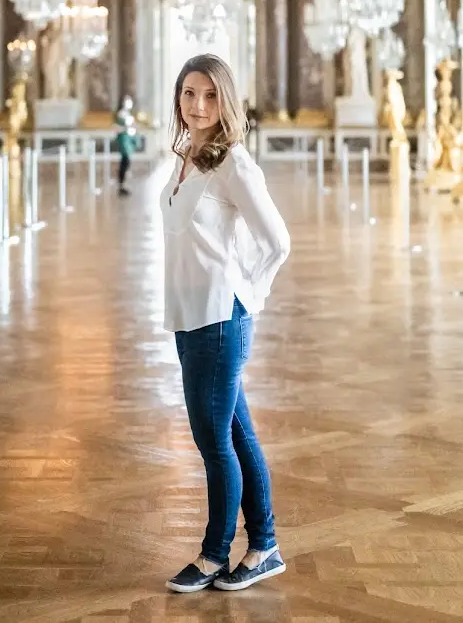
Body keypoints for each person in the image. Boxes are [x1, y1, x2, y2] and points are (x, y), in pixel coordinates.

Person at [161, 54, 290, 594]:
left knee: (214, 442)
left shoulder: (234, 163)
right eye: (190, 94)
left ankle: (215, 555)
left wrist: (248, 293)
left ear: (227, 101)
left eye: (210, 96)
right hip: (190, 316)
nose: (198, 105)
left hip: (219, 319)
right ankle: (265, 547)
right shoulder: (188, 155)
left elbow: (277, 241)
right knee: (237, 434)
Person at [115, 94, 136, 196]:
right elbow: (117, 128)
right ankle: (121, 185)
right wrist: (126, 128)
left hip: (128, 140)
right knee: (125, 162)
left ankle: (124, 185)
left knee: (126, 162)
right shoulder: (121, 115)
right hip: (124, 140)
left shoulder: (128, 114)